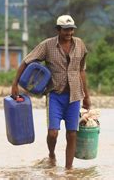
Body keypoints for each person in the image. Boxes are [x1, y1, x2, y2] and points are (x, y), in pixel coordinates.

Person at [11, 14, 91, 169]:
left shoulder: (80, 44)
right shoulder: (47, 45)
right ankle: (52, 154)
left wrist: (87, 96)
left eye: (71, 30)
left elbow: (81, 71)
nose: (69, 33)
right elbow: (26, 61)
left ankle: (69, 170)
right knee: (53, 132)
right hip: (55, 95)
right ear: (58, 29)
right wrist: (15, 85)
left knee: (72, 133)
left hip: (74, 96)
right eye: (66, 30)